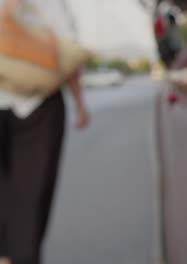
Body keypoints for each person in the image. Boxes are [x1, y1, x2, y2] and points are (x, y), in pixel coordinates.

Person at [0, 0, 90, 263]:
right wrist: (79, 102)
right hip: (39, 104)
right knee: (30, 202)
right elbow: (67, 50)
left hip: (31, 104)